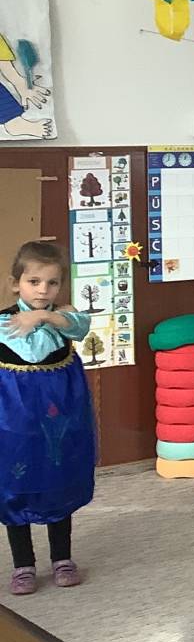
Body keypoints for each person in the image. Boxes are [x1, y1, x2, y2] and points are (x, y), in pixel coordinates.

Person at [1, 242, 93, 594]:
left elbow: (80, 326)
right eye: (34, 281)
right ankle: (23, 564)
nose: (43, 290)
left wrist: (41, 316)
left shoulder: (64, 319)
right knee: (14, 486)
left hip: (60, 422)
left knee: (59, 481)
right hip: (14, 424)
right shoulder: (3, 323)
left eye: (52, 283)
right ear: (16, 284)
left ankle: (62, 558)